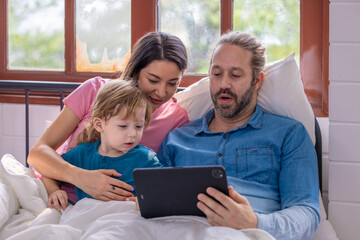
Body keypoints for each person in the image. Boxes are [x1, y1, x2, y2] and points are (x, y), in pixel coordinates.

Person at [158, 31, 320, 240]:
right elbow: (150, 200)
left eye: (235, 75)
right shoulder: (176, 139)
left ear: (257, 81)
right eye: (216, 74)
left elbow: (306, 213)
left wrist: (254, 222)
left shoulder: (289, 135)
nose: (224, 84)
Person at [28, 32, 188, 204]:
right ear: (135, 72)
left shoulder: (177, 118)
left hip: (121, 210)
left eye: (173, 83)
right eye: (153, 80)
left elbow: (168, 181)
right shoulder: (94, 91)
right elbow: (37, 154)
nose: (162, 92)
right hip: (66, 199)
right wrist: (81, 177)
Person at [42, 80, 162, 211]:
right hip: (85, 216)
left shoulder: (146, 159)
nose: (133, 134)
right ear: (99, 125)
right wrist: (54, 191)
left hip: (125, 219)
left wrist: (146, 200)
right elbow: (49, 172)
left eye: (139, 126)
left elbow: (166, 188)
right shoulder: (81, 154)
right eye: (123, 126)